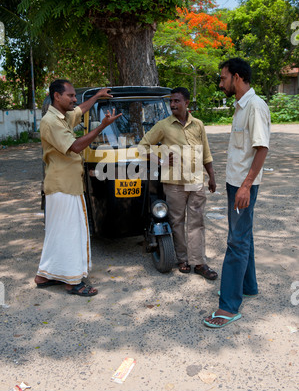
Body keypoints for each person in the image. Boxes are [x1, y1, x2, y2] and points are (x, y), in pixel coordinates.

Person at [34, 79, 121, 296]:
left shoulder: (62, 116)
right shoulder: (51, 122)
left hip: (66, 185)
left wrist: (97, 96)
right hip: (63, 186)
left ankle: (44, 275)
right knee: (70, 233)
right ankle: (73, 282)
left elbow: (80, 110)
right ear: (57, 96)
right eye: (71, 96)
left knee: (57, 233)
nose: (75, 99)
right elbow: (75, 146)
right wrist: (102, 127)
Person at [204, 58, 271, 328]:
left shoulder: (255, 106)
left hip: (244, 186)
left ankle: (229, 307)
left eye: (223, 78)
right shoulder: (241, 106)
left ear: (238, 77)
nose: (221, 83)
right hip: (236, 184)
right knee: (244, 236)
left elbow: (262, 148)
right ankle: (249, 286)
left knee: (236, 242)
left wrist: (245, 185)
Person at [138, 87, 218, 279]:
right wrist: (160, 160)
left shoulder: (198, 125)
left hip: (196, 181)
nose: (173, 104)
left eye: (177, 101)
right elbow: (142, 146)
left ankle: (198, 262)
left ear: (187, 103)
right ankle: (182, 259)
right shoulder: (163, 125)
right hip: (174, 183)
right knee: (177, 222)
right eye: (171, 101)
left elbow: (206, 153)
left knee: (197, 222)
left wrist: (212, 176)